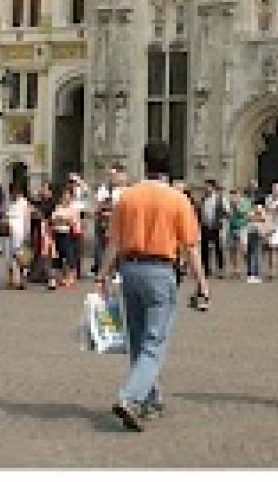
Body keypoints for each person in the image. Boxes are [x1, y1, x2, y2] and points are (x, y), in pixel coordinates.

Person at [98, 139, 208, 431]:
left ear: (145, 163)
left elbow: (114, 242)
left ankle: (151, 399)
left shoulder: (128, 197)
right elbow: (191, 247)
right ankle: (130, 397)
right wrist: (202, 284)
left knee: (137, 337)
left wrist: (102, 275)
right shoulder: (178, 200)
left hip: (130, 270)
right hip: (160, 271)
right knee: (155, 341)